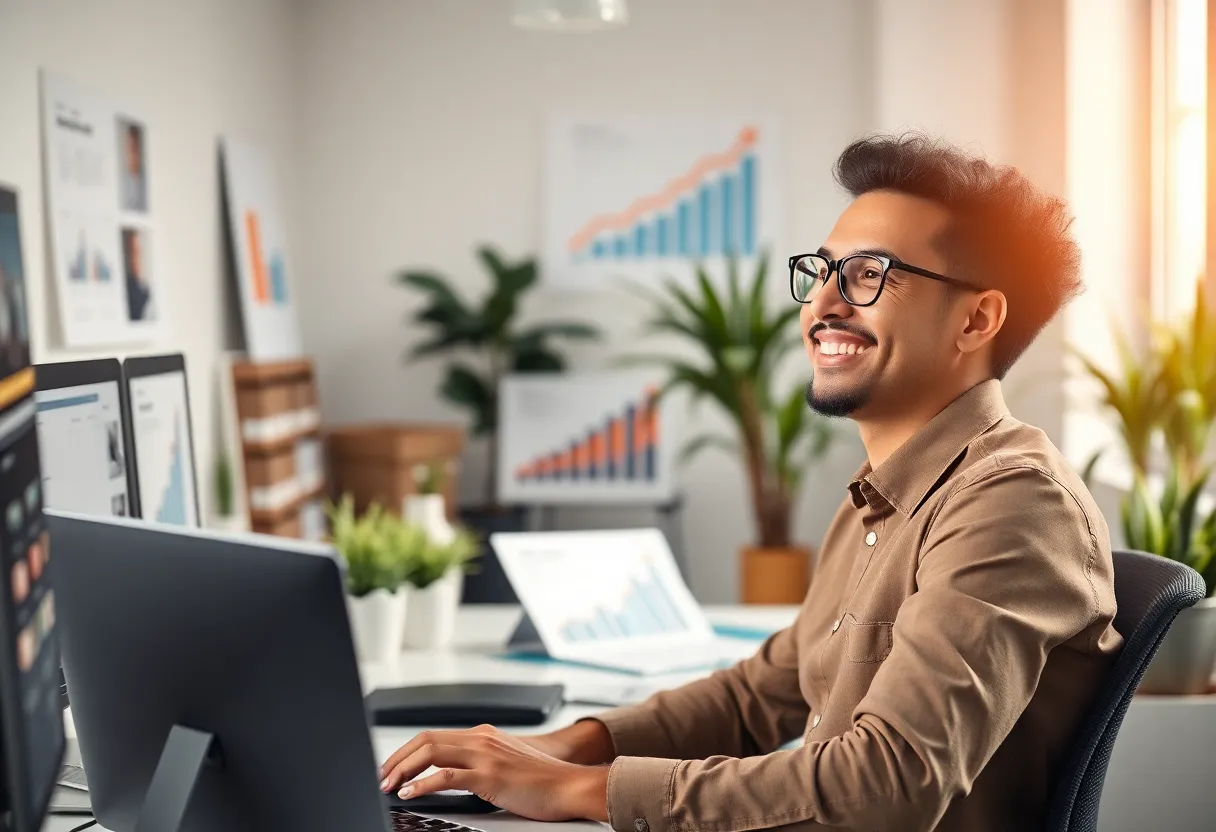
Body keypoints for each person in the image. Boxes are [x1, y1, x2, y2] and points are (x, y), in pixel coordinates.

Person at [377, 134, 1124, 830]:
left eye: (869, 275)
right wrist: (562, 747)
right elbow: (757, 696)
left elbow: (889, 784)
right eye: (822, 270)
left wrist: (578, 792)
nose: (822, 305)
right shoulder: (885, 495)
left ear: (976, 320)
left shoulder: (1012, 502)